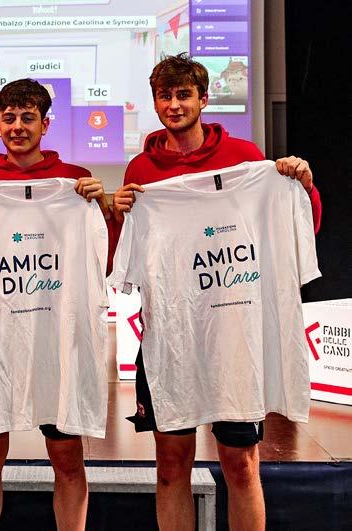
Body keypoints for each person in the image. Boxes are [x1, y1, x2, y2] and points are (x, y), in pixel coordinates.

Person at [111, 53, 322, 531]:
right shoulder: (141, 169)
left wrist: (302, 187)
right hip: (170, 339)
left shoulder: (247, 158)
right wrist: (118, 213)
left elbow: (297, 230)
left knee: (240, 465)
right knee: (171, 466)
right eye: (165, 96)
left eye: (183, 95)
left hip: (234, 338)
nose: (174, 104)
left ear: (204, 100)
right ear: (155, 103)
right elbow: (127, 259)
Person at [0, 78, 110, 531]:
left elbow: (104, 264)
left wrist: (103, 209)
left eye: (28, 117)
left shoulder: (75, 184)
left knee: (68, 460)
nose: (17, 127)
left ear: (45, 124)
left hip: (59, 346)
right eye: (8, 118)